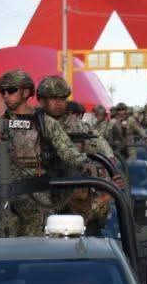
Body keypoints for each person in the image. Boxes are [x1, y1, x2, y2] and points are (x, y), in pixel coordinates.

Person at [0, 68, 88, 236]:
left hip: (38, 199)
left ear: (25, 92)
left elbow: (69, 153)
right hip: (4, 199)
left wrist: (86, 163)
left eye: (11, 90)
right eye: (3, 91)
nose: (6, 95)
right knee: (6, 246)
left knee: (39, 246)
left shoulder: (46, 123)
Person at [37, 76, 123, 233]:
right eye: (53, 98)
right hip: (39, 192)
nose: (59, 103)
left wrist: (110, 161)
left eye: (62, 98)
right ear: (41, 100)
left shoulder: (79, 127)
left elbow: (101, 147)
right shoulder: (32, 124)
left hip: (74, 193)